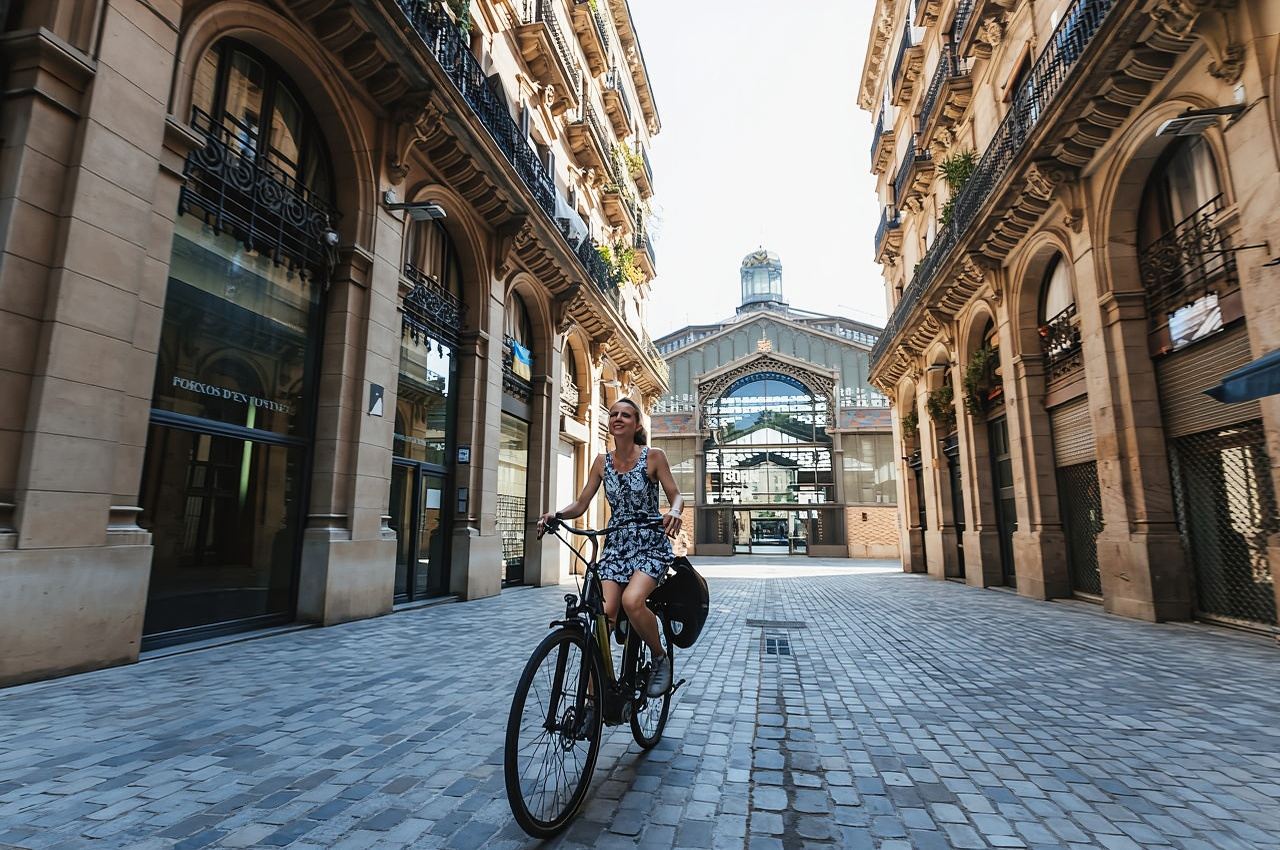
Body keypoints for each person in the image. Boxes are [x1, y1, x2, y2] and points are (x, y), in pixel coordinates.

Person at [538, 398, 683, 697]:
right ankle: (596, 698)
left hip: (649, 544)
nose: (618, 418)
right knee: (603, 616)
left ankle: (659, 658)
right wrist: (557, 514)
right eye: (614, 414)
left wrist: (676, 511)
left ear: (637, 424)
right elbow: (581, 504)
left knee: (633, 601)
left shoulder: (654, 457)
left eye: (626, 415)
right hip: (616, 546)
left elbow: (676, 496)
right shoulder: (601, 462)